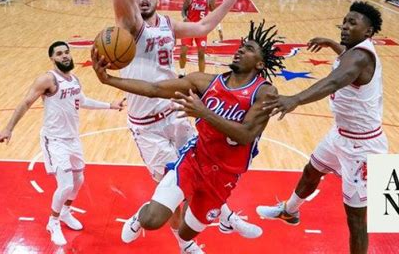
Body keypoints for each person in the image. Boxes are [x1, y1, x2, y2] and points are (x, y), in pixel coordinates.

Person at [92, 20, 284, 252]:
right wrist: (108, 80)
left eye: (249, 49)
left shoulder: (265, 92)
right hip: (193, 161)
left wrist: (204, 112)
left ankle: (219, 224)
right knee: (153, 220)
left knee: (185, 231)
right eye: (241, 46)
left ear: (260, 64)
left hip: (224, 177)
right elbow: (154, 89)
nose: (241, 49)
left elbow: (245, 135)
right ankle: (140, 217)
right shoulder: (204, 82)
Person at [112, 0, 260, 252]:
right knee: (175, 182)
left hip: (175, 111)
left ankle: (204, 229)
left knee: (203, 172)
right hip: (147, 126)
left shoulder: (167, 24)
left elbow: (204, 27)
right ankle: (180, 233)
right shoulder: (129, 24)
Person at [256, 2, 387, 254]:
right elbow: (344, 62)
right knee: (311, 171)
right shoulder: (353, 51)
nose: (345, 27)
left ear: (368, 32)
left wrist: (295, 99)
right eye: (345, 21)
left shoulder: (360, 57)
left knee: (356, 219)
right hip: (340, 134)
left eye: (353, 23)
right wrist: (331, 43)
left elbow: (334, 81)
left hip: (362, 146)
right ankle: (290, 211)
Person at [0, 41, 122, 246]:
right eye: (60, 54)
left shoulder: (74, 79)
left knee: (79, 180)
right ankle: (52, 222)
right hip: (54, 140)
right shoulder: (47, 79)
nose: (65, 56)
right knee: (65, 185)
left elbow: (83, 101)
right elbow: (26, 102)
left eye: (67, 52)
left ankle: (65, 212)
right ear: (52, 58)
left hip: (73, 139)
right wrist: (8, 128)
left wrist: (111, 105)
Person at [179, 0, 224, 77]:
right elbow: (183, 10)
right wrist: (185, 17)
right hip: (189, 28)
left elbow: (215, 14)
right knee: (183, 52)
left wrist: (219, 29)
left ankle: (201, 75)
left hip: (201, 29)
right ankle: (181, 72)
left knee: (201, 54)